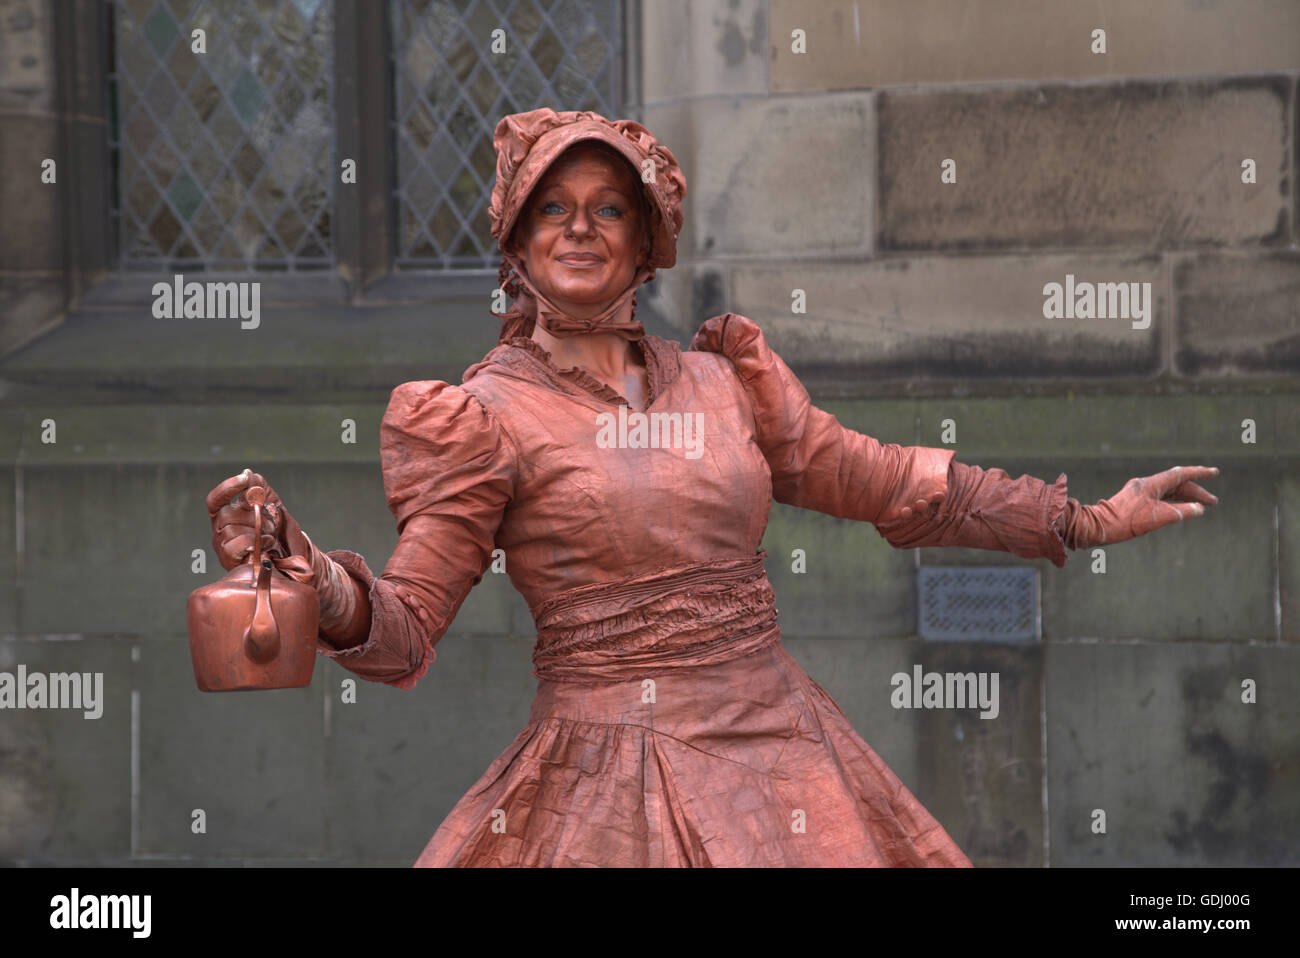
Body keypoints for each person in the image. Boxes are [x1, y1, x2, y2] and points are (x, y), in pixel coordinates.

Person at [205, 108, 1219, 867]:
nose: (580, 228)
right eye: (550, 208)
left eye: (609, 208)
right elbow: (408, 625)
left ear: (648, 239)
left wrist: (1083, 518)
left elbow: (897, 486)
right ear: (514, 243)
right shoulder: (481, 417)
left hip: (781, 756)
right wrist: (317, 586)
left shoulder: (726, 383)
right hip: (602, 786)